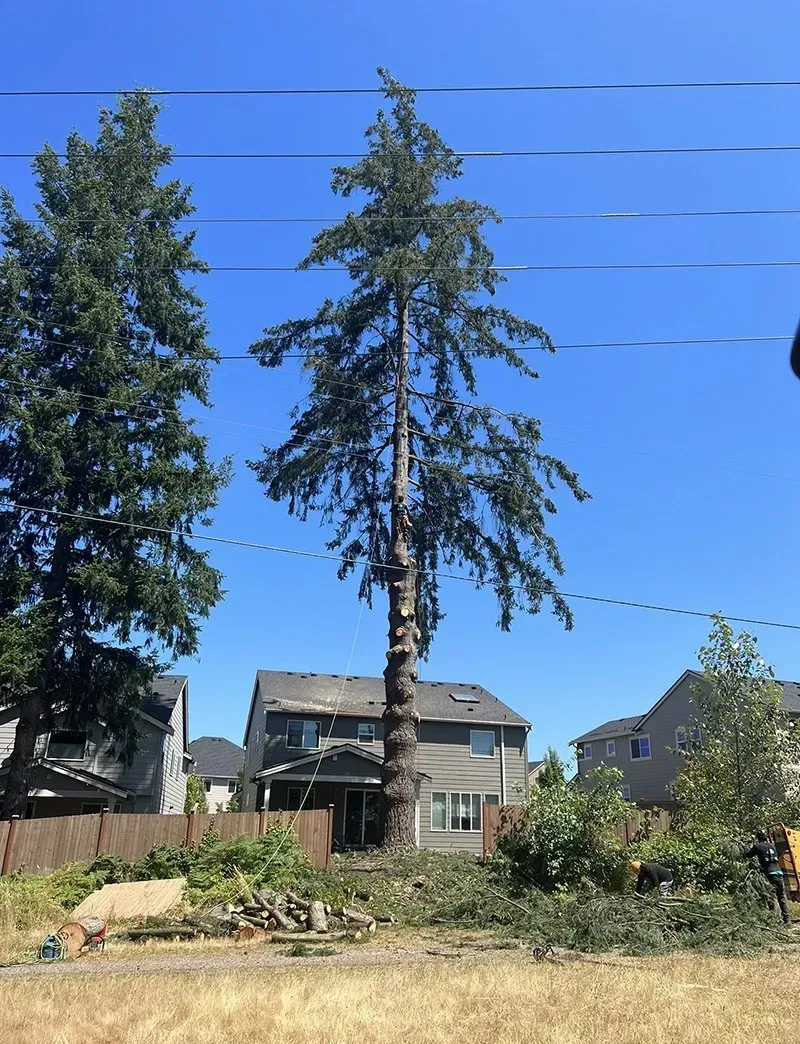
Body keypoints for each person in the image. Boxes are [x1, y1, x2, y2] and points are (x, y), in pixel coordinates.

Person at [745, 829, 790, 925]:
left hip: (770, 874)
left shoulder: (758, 846)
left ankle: (772, 921)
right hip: (779, 872)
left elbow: (748, 855)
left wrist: (743, 848)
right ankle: (787, 920)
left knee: (770, 897)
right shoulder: (772, 846)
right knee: (781, 896)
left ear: (758, 837)